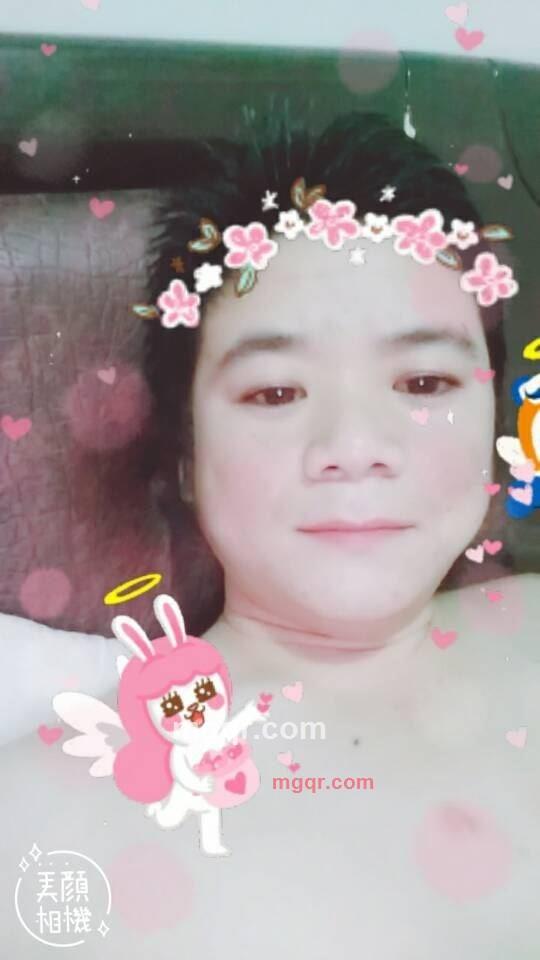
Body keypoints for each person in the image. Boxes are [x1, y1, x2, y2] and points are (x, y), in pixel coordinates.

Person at [2, 109, 540, 957]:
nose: (355, 446)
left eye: (424, 381)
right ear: (186, 456)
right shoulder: (37, 821)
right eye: (275, 393)